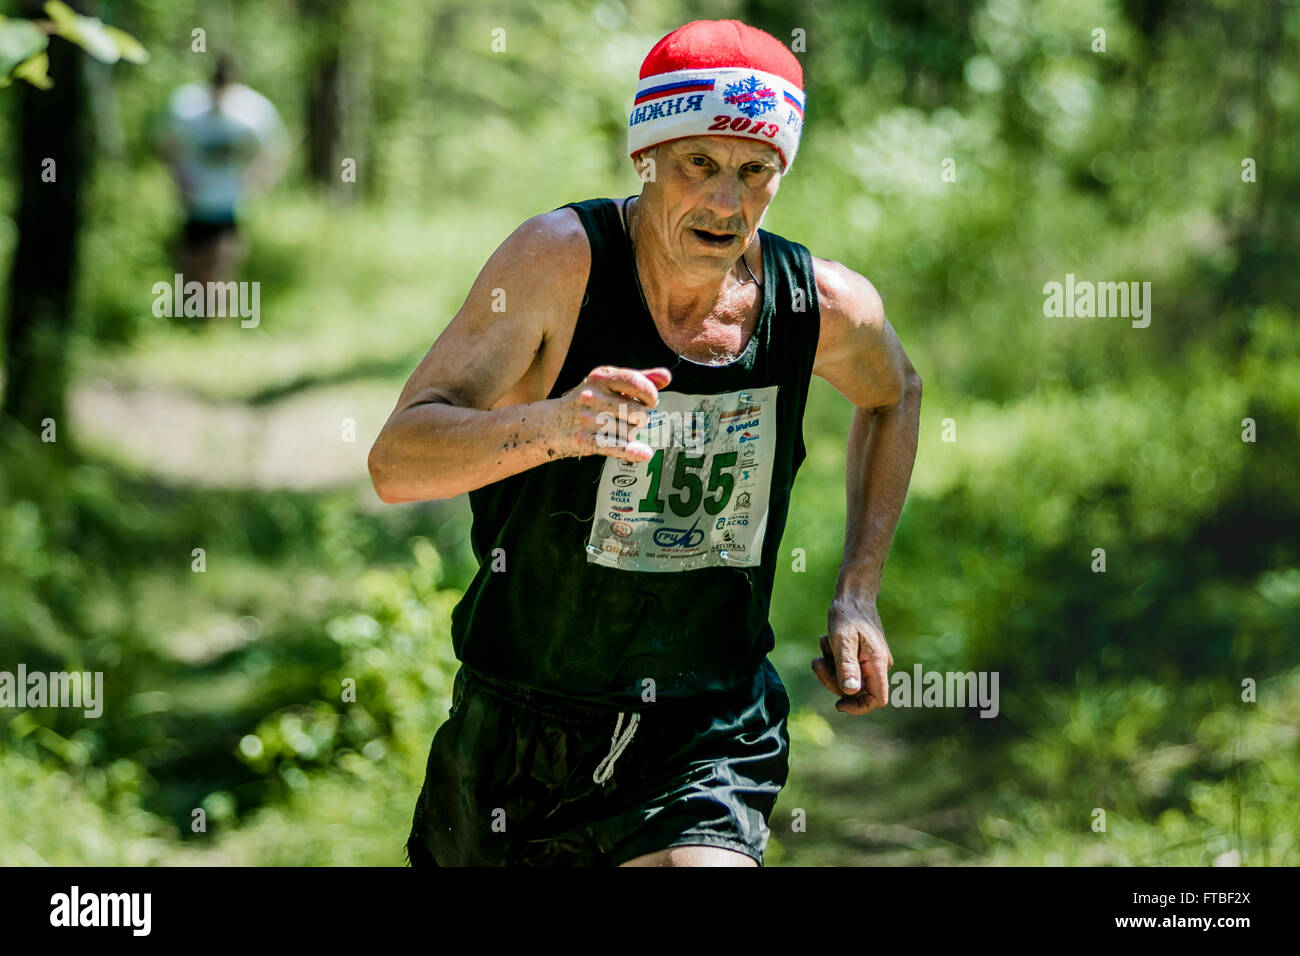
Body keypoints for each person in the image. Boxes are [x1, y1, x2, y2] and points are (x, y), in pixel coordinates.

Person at [369, 19, 922, 867]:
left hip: (705, 727)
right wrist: (554, 426)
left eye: (755, 170)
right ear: (647, 157)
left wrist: (857, 589)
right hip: (520, 721)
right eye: (699, 163)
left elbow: (896, 395)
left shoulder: (819, 305)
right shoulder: (557, 265)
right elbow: (397, 460)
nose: (727, 201)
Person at [157, 54, 288, 297]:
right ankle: (193, 312)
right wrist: (179, 179)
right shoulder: (188, 106)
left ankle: (217, 318)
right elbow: (167, 145)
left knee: (224, 258)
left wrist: (258, 180)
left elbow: (275, 149)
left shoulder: (252, 110)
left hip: (230, 200)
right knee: (193, 259)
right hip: (196, 200)